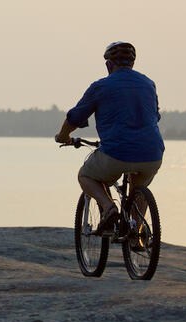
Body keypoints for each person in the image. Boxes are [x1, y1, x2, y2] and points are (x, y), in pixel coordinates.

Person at [55, 41, 164, 234]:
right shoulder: (148, 84)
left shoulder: (101, 86)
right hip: (152, 154)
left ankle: (108, 207)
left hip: (116, 153)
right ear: (132, 64)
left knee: (85, 175)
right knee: (139, 187)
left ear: (108, 64)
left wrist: (63, 136)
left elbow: (75, 117)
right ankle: (137, 231)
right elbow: (155, 116)